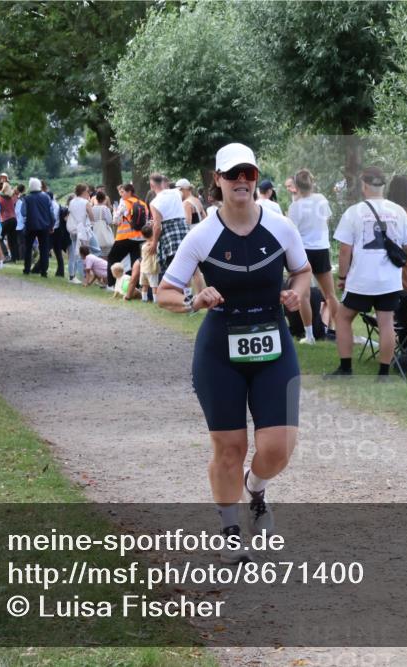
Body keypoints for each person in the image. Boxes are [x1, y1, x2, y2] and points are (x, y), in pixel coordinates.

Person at [156, 143, 310, 561]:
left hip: (272, 343)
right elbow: (164, 292)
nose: (242, 181)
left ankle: (255, 489)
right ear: (218, 181)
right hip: (220, 349)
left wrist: (296, 295)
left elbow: (302, 271)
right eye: (232, 174)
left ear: (256, 179)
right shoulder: (202, 234)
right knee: (228, 447)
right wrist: (194, 301)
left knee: (279, 446)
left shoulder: (281, 227)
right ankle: (228, 528)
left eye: (249, 174)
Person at [329, 166, 407, 377]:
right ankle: (384, 372)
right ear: (383, 186)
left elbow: (344, 250)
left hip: (361, 279)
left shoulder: (353, 212)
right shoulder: (398, 212)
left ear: (364, 185)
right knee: (386, 322)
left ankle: (346, 367)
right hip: (389, 280)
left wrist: (342, 277)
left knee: (343, 318)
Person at [288, 168, 339, 344]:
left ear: (296, 186)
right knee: (330, 294)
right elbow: (326, 221)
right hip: (321, 249)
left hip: (303, 251)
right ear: (312, 183)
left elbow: (291, 231)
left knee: (304, 295)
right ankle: (340, 331)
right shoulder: (321, 200)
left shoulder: (294, 206)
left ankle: (309, 335)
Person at [147, 174, 191, 282]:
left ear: (151, 185)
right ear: (163, 182)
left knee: (173, 269)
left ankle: (178, 295)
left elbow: (157, 226)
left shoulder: (154, 203)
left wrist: (154, 243)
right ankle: (188, 295)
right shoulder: (176, 192)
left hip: (170, 234)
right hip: (184, 229)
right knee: (187, 268)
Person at [108, 184, 148, 287]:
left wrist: (115, 212)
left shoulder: (125, 203)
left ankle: (111, 284)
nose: (122, 195)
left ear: (129, 192)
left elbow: (115, 221)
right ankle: (136, 285)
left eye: (123, 192)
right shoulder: (143, 203)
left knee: (112, 258)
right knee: (135, 262)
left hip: (125, 237)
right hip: (139, 238)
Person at [21, 177, 54, 277]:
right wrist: (52, 224)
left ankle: (27, 269)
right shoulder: (46, 197)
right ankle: (44, 271)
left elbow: (23, 212)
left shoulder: (26, 198)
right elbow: (51, 212)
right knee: (44, 249)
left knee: (28, 248)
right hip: (44, 226)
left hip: (31, 225)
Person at [67, 184, 96, 284]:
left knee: (75, 252)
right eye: (88, 191)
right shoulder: (85, 202)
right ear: (83, 192)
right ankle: (85, 275)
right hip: (83, 230)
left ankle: (72, 275)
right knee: (93, 250)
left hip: (73, 229)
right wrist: (92, 224)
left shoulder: (72, 202)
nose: (89, 193)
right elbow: (92, 216)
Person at [0, 183, 18, 262]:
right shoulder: (11, 197)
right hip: (14, 219)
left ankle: (6, 255)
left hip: (6, 219)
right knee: (12, 240)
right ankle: (14, 258)